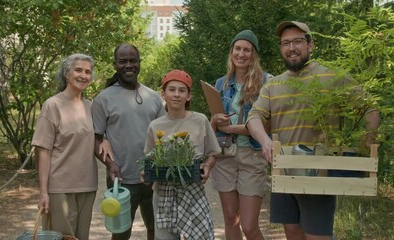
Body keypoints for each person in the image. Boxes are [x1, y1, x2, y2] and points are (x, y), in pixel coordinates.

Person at [246, 21, 380, 240]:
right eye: (286, 43)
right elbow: (254, 117)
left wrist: (369, 137)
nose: (291, 48)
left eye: (298, 41)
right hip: (283, 171)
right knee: (292, 232)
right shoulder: (273, 85)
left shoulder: (332, 77)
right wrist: (264, 141)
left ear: (311, 45)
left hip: (319, 172)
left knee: (317, 237)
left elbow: (369, 106)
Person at [92, 43, 165, 240]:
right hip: (121, 180)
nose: (128, 65)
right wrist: (110, 164)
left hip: (153, 178)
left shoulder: (154, 97)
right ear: (115, 64)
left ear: (140, 63)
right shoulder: (103, 99)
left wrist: (158, 167)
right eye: (123, 61)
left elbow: (165, 136)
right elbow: (96, 139)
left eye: (133, 60)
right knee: (121, 233)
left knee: (157, 229)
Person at [143, 69, 221, 240]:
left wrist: (207, 167)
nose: (176, 94)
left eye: (182, 90)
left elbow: (213, 153)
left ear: (189, 96)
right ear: (163, 94)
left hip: (192, 189)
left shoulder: (200, 120)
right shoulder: (155, 126)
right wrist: (146, 174)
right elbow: (148, 160)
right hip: (163, 191)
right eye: (172, 90)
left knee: (201, 237)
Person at [209, 29, 271, 240]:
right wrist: (215, 122)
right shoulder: (221, 84)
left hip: (252, 156)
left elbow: (266, 126)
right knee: (230, 218)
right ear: (231, 51)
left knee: (249, 225)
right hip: (225, 155)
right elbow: (215, 125)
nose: (241, 54)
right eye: (238, 49)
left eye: (247, 50)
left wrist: (233, 128)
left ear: (254, 54)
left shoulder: (266, 82)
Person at [32, 53, 97, 240]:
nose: (83, 75)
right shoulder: (52, 105)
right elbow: (43, 150)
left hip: (87, 185)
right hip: (60, 187)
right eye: (78, 70)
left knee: (81, 237)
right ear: (66, 74)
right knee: (61, 237)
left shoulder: (91, 106)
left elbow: (98, 138)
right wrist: (43, 191)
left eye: (87, 72)